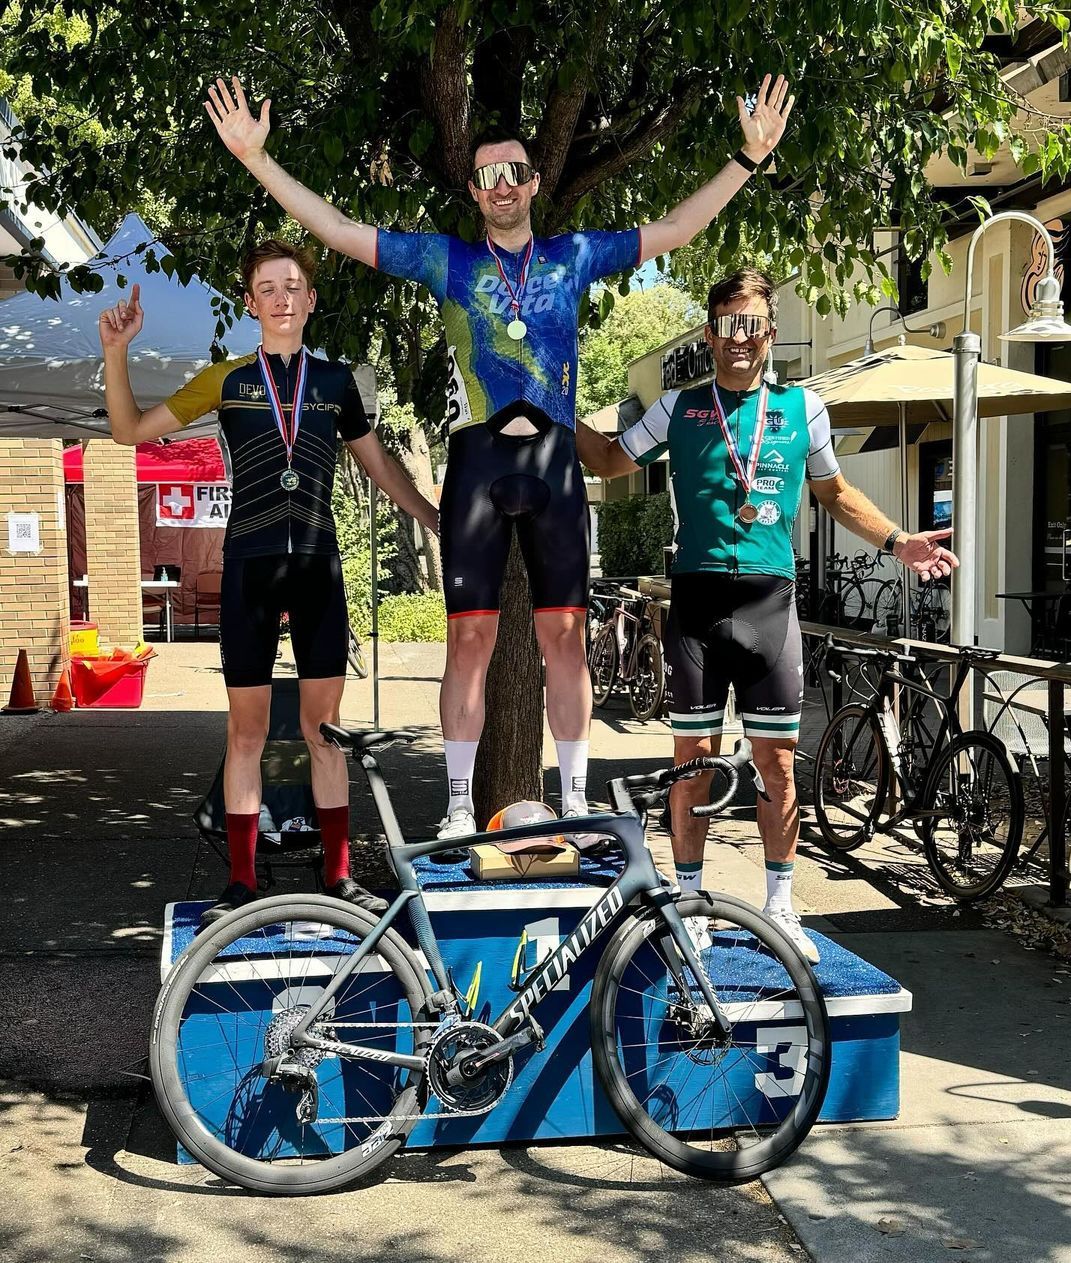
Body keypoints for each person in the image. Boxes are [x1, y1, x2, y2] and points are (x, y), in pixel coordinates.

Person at [203, 73, 795, 839]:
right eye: (486, 176)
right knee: (469, 638)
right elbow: (341, 232)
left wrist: (746, 160)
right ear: (475, 192)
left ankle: (576, 798)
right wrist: (257, 160)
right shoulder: (446, 260)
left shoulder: (573, 254)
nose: (502, 184)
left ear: (535, 180)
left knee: (565, 637)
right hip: (477, 466)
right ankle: (456, 807)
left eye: (514, 170)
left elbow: (675, 229)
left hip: (555, 466)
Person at [576, 267, 958, 962]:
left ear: (770, 333)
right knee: (692, 766)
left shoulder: (803, 408)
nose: (738, 340)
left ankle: (781, 906)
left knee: (778, 767)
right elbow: (606, 460)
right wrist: (549, 403)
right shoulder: (678, 408)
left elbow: (836, 492)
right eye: (726, 326)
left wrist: (900, 540)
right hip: (695, 606)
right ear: (711, 334)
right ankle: (690, 908)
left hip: (769, 606)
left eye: (751, 325)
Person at [98, 238, 439, 927]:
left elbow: (378, 462)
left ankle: (339, 877)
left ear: (311, 300)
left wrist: (433, 516)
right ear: (250, 303)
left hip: (317, 567)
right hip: (250, 567)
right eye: (267, 288)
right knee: (246, 732)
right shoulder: (225, 380)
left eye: (293, 286)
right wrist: (116, 351)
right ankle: (243, 882)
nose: (282, 298)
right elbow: (129, 431)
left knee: (325, 733)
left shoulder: (338, 382)